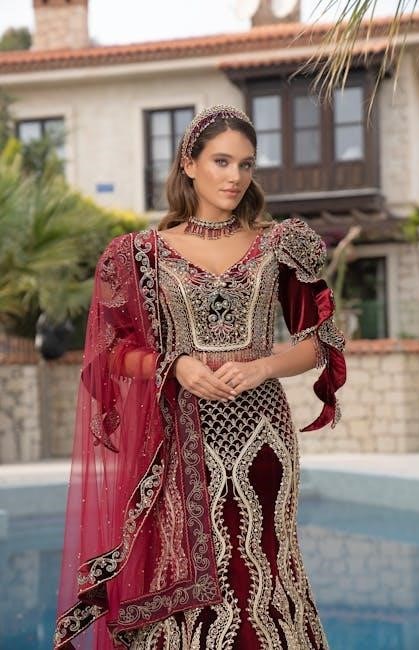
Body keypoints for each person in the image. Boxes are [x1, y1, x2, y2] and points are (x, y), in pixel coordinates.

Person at [54, 104, 346, 650]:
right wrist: (176, 366)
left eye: (246, 164)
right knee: (183, 567)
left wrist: (262, 366)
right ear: (189, 164)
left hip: (262, 439)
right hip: (177, 439)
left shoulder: (280, 245)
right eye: (221, 161)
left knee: (263, 563)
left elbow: (320, 344)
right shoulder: (140, 256)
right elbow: (110, 353)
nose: (235, 176)